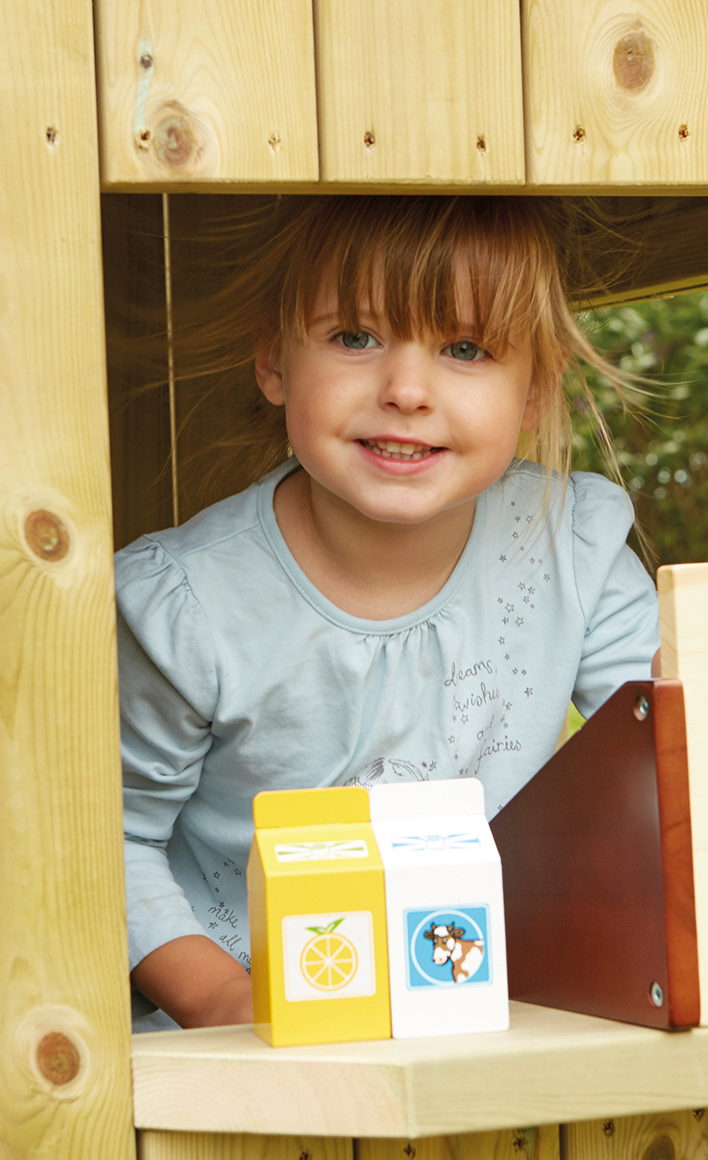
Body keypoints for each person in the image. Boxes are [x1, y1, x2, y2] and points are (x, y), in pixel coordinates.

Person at [115, 196, 662, 1030]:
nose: (406, 390)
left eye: (466, 348)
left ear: (536, 392)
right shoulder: (187, 607)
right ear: (273, 360)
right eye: (355, 337)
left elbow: (674, 757)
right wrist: (223, 1000)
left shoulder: (571, 548)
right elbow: (113, 839)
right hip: (244, 1041)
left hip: (479, 1010)